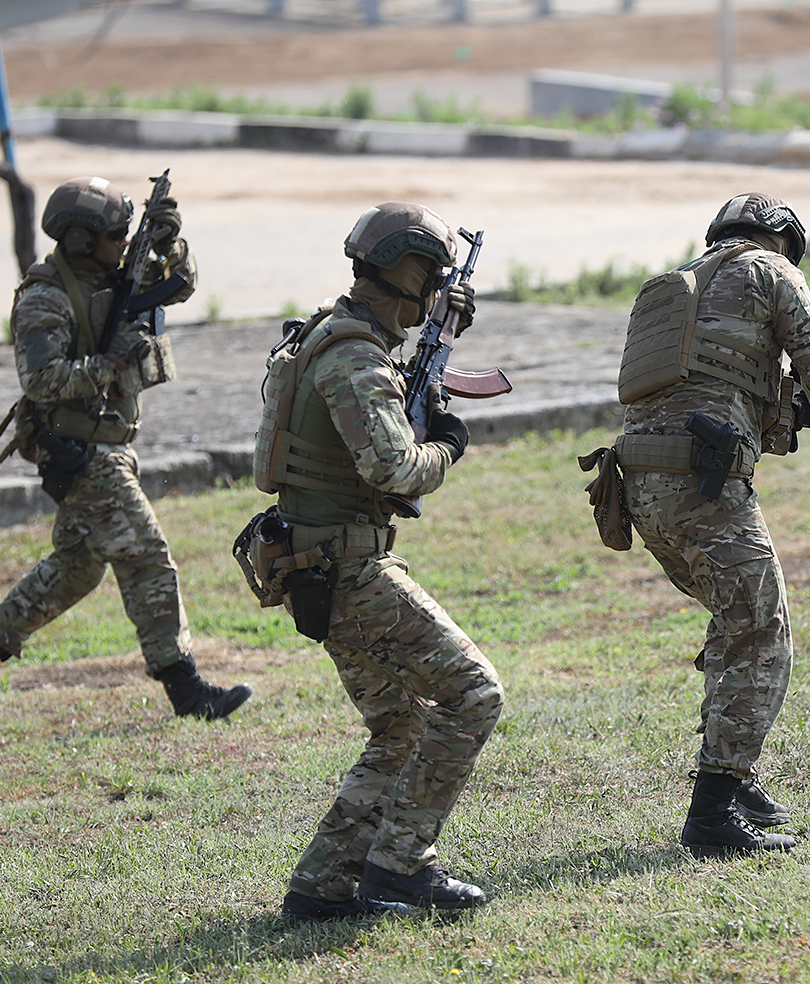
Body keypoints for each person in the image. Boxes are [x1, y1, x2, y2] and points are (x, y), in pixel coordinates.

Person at [254, 202, 503, 921]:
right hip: (348, 571)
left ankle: (321, 889)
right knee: (473, 695)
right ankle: (401, 866)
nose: (435, 293)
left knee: (401, 726)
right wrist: (446, 446)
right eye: (432, 278)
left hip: (319, 565)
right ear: (405, 272)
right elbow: (393, 467)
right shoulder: (356, 357)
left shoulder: (330, 337)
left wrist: (435, 343)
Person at [0, 175, 252, 726]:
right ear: (80, 240)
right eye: (115, 234)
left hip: (112, 445)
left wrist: (170, 242)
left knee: (77, 571)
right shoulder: (44, 299)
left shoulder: (116, 274)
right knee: (147, 556)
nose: (124, 243)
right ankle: (187, 690)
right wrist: (111, 364)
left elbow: (181, 283)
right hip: (77, 451)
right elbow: (41, 381)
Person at [612, 193, 810, 856]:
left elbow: (715, 392)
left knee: (733, 623)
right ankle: (711, 814)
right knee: (760, 634)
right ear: (781, 239)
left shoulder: (674, 286)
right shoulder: (774, 272)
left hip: (640, 486)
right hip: (704, 484)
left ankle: (735, 781)